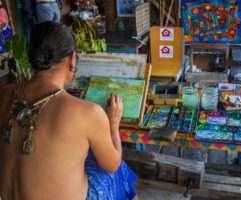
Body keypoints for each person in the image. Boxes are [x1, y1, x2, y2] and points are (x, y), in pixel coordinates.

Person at [0, 21, 138, 200]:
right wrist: (113, 124)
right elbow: (112, 165)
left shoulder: (3, 94)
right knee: (117, 169)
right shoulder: (89, 113)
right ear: (72, 59)